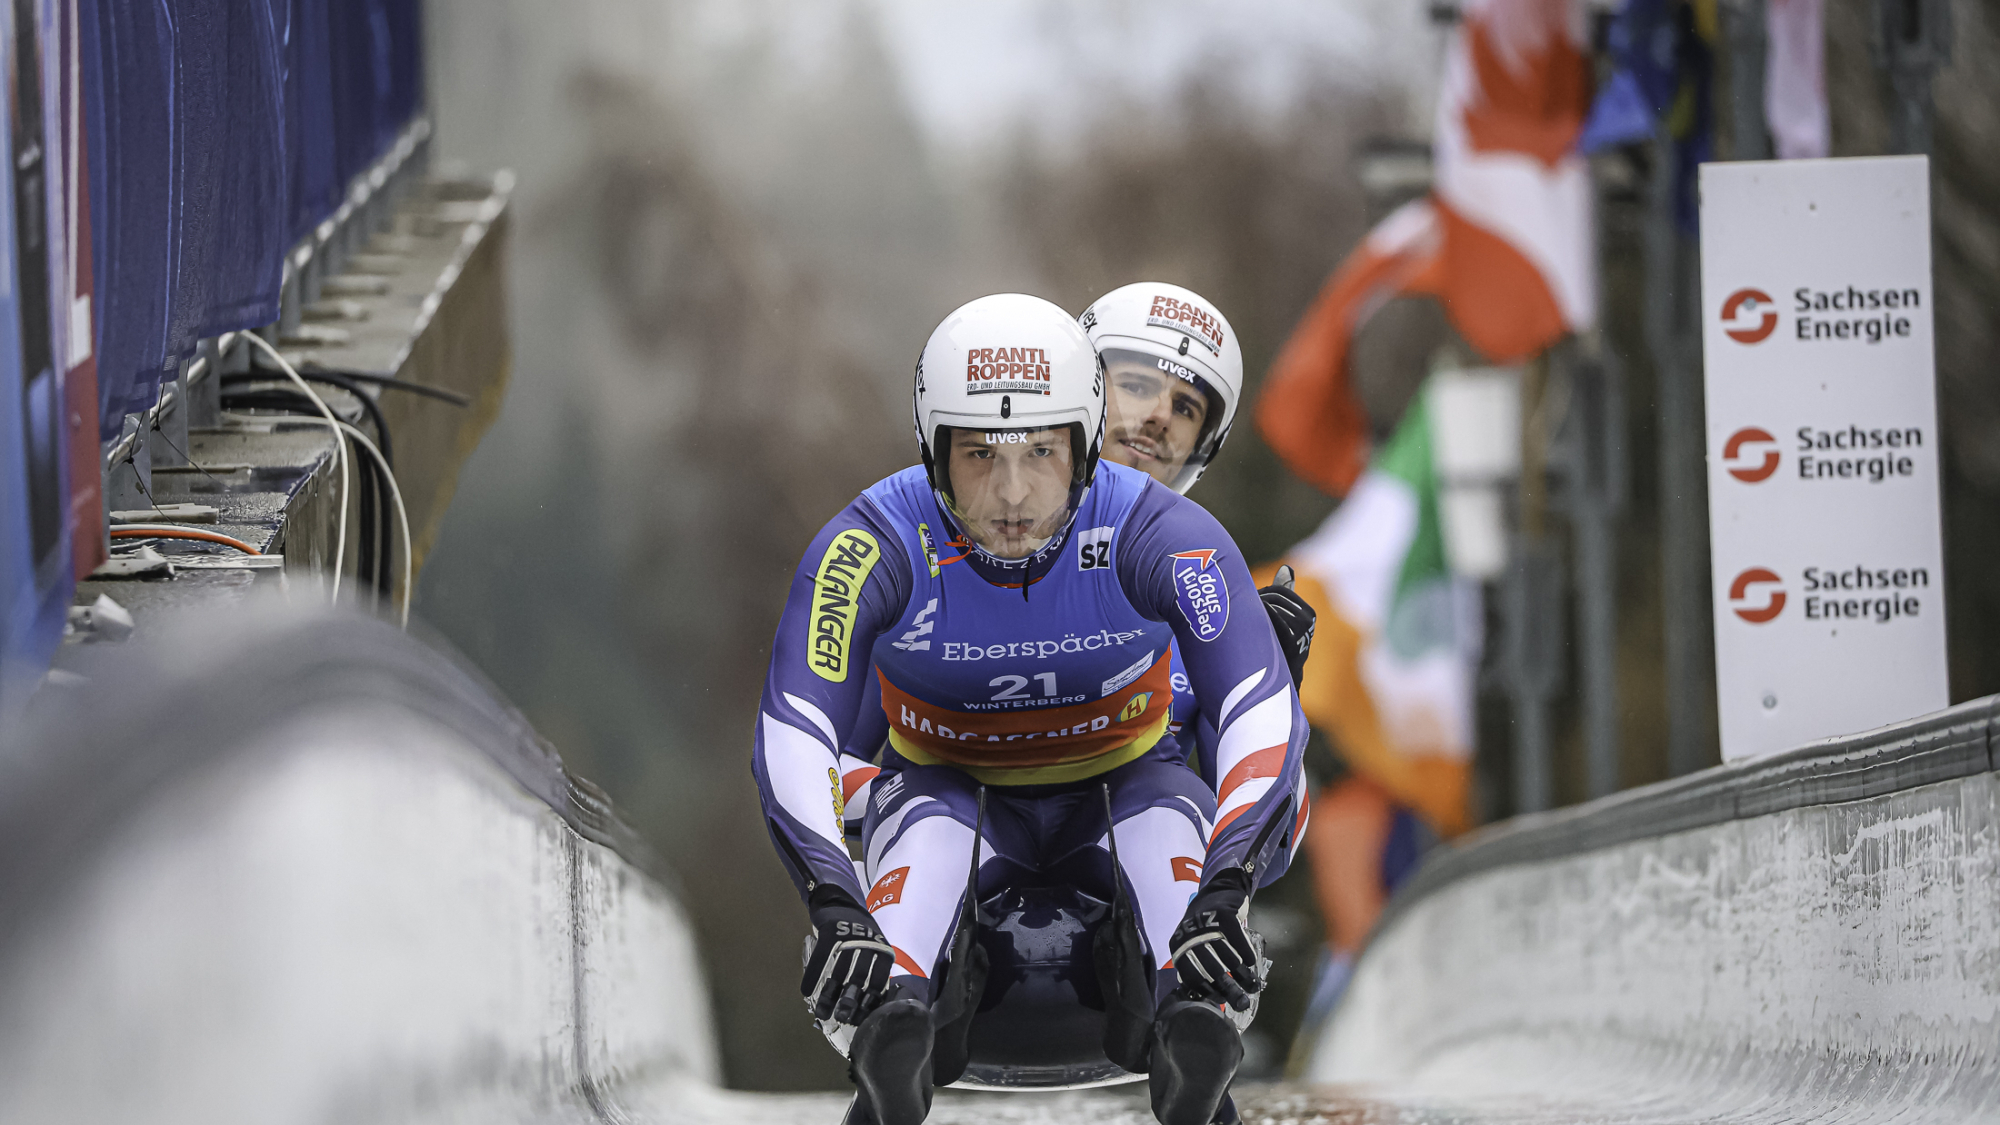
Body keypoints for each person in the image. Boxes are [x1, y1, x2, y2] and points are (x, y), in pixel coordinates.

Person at [753, 294, 1309, 1125]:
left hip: (1131, 796)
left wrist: (1224, 886)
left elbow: (1257, 708)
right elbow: (798, 720)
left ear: (1085, 450)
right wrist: (836, 899)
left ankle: (1191, 1026)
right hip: (944, 797)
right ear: (931, 450)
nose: (1012, 496)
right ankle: (895, 1028)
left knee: (1169, 815)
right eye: (979, 455)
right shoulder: (870, 541)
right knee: (929, 820)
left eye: (1042, 453)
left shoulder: (1164, 531)